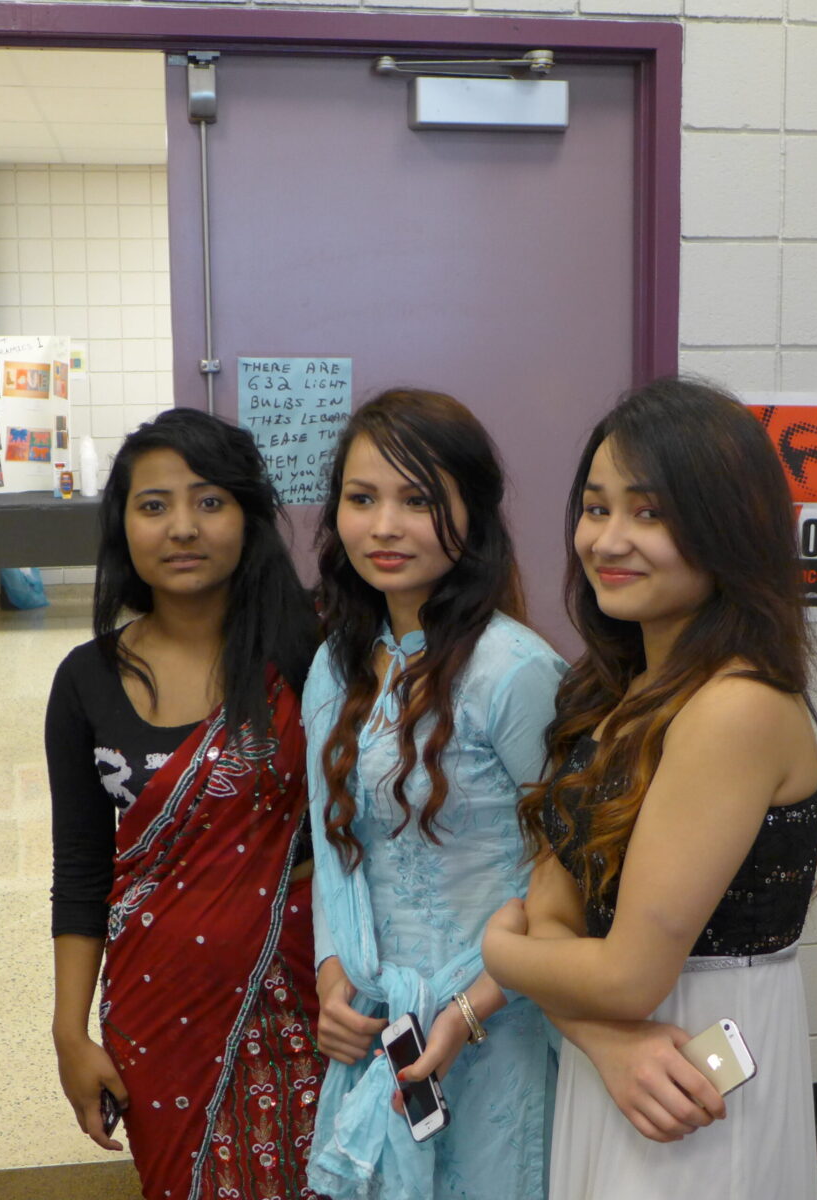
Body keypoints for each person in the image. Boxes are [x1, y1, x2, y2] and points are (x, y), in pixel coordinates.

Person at [482, 377, 817, 1199]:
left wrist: (498, 954)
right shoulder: (613, 690)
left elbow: (629, 975)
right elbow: (555, 915)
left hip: (696, 1062)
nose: (608, 540)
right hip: (626, 1054)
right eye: (595, 508)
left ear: (727, 528)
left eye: (649, 513)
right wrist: (600, 1036)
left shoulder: (735, 706)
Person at [46, 408, 324, 1200]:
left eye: (209, 501)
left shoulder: (310, 658)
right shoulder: (87, 679)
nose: (183, 528)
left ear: (248, 516)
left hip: (308, 998)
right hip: (158, 1009)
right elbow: (82, 868)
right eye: (154, 505)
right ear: (123, 526)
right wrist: (70, 1032)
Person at [302, 388, 565, 1199]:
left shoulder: (514, 671)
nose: (384, 526)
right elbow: (334, 850)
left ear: (471, 515)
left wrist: (471, 1009)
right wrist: (332, 978)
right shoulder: (337, 665)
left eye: (417, 501)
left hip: (500, 1020)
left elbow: (573, 871)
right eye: (362, 499)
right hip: (383, 1021)